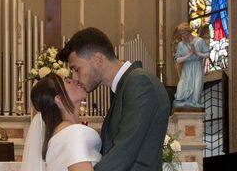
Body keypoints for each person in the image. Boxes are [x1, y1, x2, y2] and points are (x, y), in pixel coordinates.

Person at [58, 27, 169, 171]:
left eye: (77, 69)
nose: (75, 77)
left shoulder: (140, 82)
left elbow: (125, 150)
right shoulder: (122, 88)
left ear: (98, 60)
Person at [22, 73, 101, 171]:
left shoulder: (59, 134)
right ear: (59, 99)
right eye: (68, 82)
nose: (75, 80)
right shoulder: (73, 133)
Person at [172, 22, 209, 109]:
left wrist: (197, 53)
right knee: (181, 91)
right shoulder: (181, 45)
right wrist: (189, 55)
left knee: (196, 92)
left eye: (184, 33)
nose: (182, 35)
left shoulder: (199, 41)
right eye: (181, 34)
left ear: (188, 31)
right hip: (186, 69)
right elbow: (177, 60)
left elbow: (207, 54)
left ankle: (195, 104)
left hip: (197, 68)